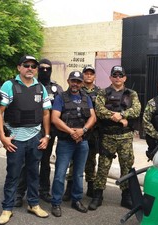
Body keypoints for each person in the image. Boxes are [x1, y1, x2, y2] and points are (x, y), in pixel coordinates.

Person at [0, 55, 51, 225]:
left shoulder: (40, 87)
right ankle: (7, 208)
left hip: (35, 138)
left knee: (34, 173)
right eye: (26, 65)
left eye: (33, 66)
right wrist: (2, 138)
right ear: (19, 67)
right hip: (15, 139)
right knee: (13, 174)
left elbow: (46, 113)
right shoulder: (9, 85)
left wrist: (47, 136)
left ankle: (33, 204)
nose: (30, 68)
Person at [88, 65, 141, 211]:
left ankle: (126, 196)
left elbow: (136, 110)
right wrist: (117, 118)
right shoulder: (103, 93)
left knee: (126, 166)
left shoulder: (132, 94)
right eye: (115, 75)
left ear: (125, 77)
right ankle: (98, 196)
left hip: (125, 137)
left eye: (120, 75)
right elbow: (99, 110)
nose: (117, 78)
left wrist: (122, 115)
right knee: (103, 167)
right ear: (110, 77)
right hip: (108, 136)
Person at [14, 58, 63, 207]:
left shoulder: (57, 88)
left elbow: (61, 109)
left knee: (45, 163)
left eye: (48, 68)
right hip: (30, 130)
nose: (45, 71)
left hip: (48, 132)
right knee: (25, 163)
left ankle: (43, 190)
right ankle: (19, 193)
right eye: (42, 68)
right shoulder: (31, 85)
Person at [51, 71, 96, 217]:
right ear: (68, 81)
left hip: (82, 141)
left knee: (78, 174)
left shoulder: (86, 97)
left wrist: (82, 131)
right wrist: (71, 132)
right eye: (73, 81)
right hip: (65, 142)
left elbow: (93, 117)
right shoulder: (60, 97)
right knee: (60, 174)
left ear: (82, 83)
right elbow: (55, 119)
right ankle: (56, 202)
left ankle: (76, 200)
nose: (75, 84)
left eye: (78, 81)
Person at [62, 66, 100, 201]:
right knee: (74, 161)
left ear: (94, 76)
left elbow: (99, 112)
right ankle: (69, 188)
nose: (89, 76)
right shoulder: (77, 89)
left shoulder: (100, 92)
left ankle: (91, 187)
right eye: (86, 73)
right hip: (77, 132)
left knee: (91, 161)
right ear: (83, 77)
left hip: (93, 132)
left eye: (91, 74)